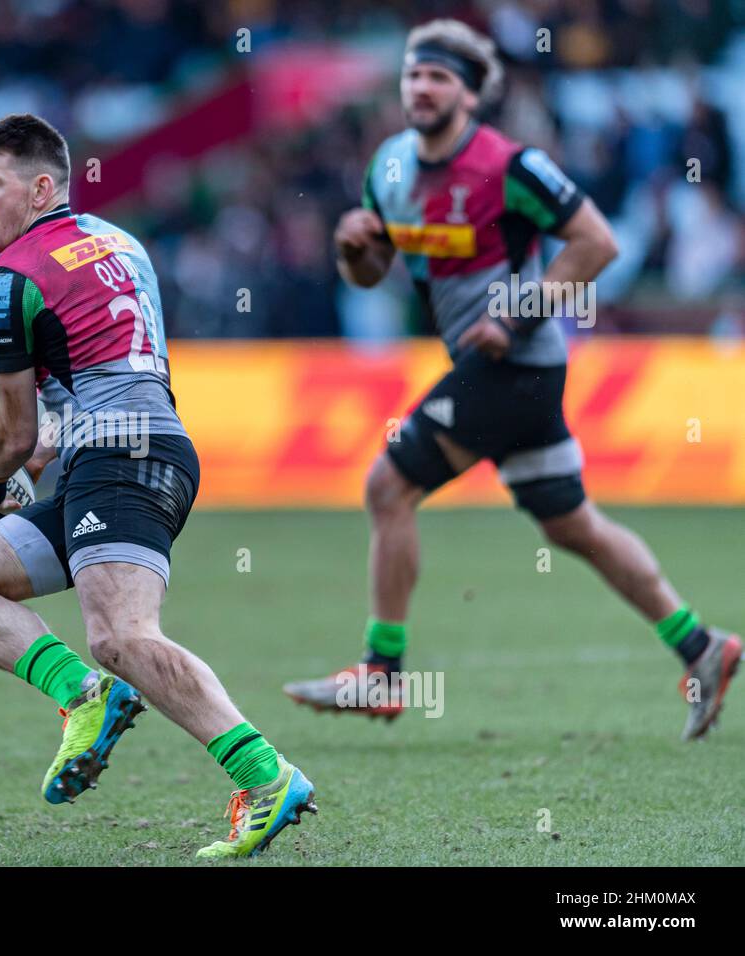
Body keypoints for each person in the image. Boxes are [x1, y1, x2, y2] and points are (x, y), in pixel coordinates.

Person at [283, 21, 739, 741]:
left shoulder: (510, 166)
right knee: (573, 525)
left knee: (386, 486)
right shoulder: (390, 170)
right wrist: (351, 254)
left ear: (469, 94)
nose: (420, 88)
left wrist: (517, 317)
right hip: (492, 369)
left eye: (438, 78)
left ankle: (382, 671)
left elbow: (598, 243)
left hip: (514, 366)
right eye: (412, 76)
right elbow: (373, 274)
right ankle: (702, 647)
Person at [0, 113, 315, 857]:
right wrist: (22, 472)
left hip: (123, 464)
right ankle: (85, 700)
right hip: (130, 452)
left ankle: (267, 778)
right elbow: (105, 379)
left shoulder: (7, 283)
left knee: (123, 636)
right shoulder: (118, 242)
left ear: (40, 189)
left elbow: (11, 434)